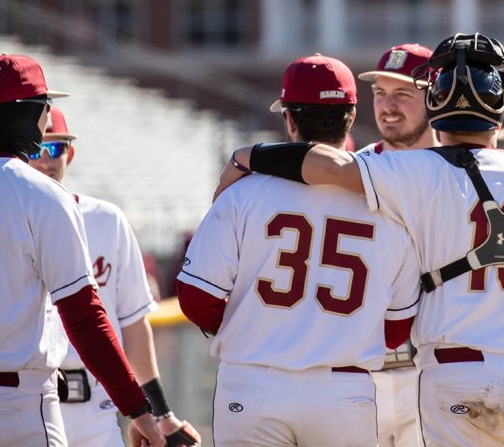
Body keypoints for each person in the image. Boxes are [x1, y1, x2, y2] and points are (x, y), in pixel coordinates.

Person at [220, 33, 504, 447]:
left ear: (435, 105)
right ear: (501, 109)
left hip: (457, 378)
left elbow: (326, 165)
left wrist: (246, 155)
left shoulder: (415, 172)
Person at [0, 54, 163, 447]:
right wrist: (138, 408)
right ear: (29, 113)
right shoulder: (42, 195)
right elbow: (84, 318)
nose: (47, 118)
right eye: (45, 106)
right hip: (11, 404)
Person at [177, 54, 421, 447]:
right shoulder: (391, 203)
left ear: (289, 118)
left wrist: (252, 324)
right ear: (351, 114)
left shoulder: (242, 193)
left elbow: (195, 299)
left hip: (254, 379)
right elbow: (395, 329)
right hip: (346, 387)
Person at [29, 106, 199, 447]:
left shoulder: (106, 220)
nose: (45, 159)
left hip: (97, 407)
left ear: (70, 154)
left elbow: (134, 326)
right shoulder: (5, 223)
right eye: (36, 149)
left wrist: (161, 414)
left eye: (55, 148)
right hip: (27, 402)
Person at [356, 43, 438, 447]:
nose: (388, 106)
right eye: (379, 94)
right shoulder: (354, 169)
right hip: (360, 372)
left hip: (432, 370)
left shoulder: (460, 172)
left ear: (434, 97)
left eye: (403, 94)